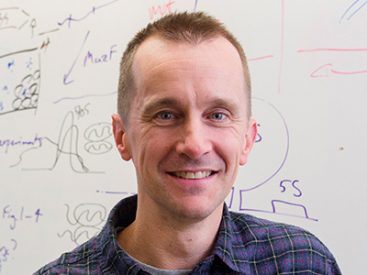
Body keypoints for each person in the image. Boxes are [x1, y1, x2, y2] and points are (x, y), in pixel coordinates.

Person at [35, 12, 341, 274]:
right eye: (166, 114)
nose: (195, 145)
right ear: (122, 136)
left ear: (247, 140)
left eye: (218, 115)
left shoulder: (303, 263)